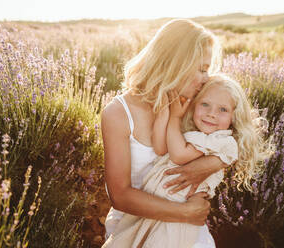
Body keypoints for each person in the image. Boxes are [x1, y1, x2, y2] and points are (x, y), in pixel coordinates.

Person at [102, 74, 274, 247]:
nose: (211, 114)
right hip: (158, 205)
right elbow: (161, 149)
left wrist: (175, 118)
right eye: (205, 104)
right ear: (194, 105)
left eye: (223, 110)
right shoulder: (193, 133)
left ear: (234, 117)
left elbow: (178, 155)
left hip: (176, 216)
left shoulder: (223, 141)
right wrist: (165, 113)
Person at [100, 19, 224, 247]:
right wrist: (184, 212)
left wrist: (214, 163)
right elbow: (120, 195)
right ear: (176, 64)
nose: (207, 78)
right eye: (202, 69)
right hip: (135, 231)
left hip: (187, 233)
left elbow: (239, 140)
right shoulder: (118, 113)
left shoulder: (194, 105)